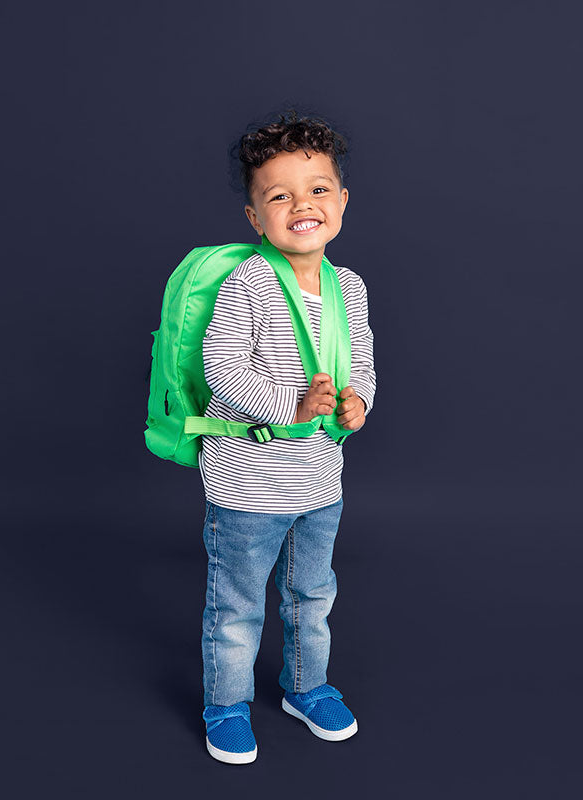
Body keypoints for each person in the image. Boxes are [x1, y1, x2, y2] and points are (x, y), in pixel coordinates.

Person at [198, 109, 376, 764]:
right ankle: (225, 703)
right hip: (248, 483)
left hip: (318, 481)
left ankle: (307, 687)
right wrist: (292, 406)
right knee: (238, 607)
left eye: (318, 189)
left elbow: (361, 366)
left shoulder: (348, 288)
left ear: (342, 201)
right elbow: (222, 371)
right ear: (255, 217)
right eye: (279, 195)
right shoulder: (249, 282)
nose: (302, 204)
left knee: (312, 594)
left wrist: (357, 405)